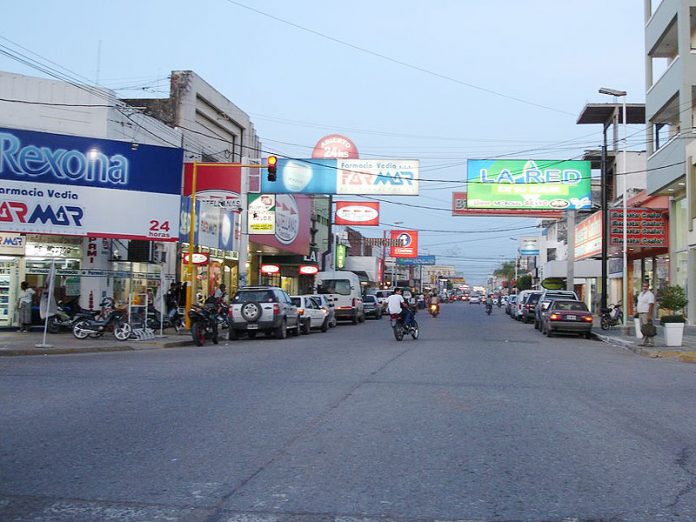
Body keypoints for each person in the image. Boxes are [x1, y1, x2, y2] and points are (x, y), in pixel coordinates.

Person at [637, 281, 656, 347]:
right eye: (643, 286)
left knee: (648, 328)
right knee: (643, 328)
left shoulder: (650, 294)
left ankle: (651, 342)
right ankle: (644, 342)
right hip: (640, 313)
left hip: (646, 313)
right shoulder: (641, 294)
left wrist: (649, 315)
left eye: (646, 286)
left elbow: (651, 305)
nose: (644, 287)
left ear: (648, 287)